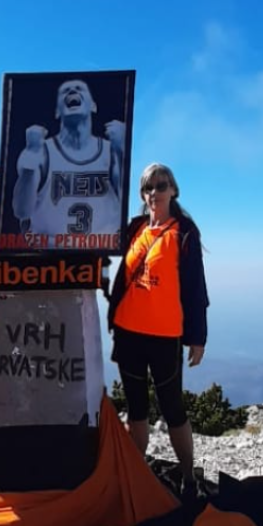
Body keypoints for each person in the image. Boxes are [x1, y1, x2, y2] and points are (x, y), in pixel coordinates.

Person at [106, 162, 208, 491]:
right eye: (148, 188)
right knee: (136, 409)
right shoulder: (135, 228)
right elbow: (96, 233)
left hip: (165, 335)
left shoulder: (184, 232)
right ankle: (135, 480)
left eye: (161, 186)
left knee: (173, 409)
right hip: (127, 331)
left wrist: (197, 337)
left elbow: (195, 287)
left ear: (173, 190)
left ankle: (189, 478)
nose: (154, 192)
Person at [12, 78, 125, 244]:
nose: (73, 91)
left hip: (97, 253)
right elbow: (21, 211)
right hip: (47, 253)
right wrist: (31, 158)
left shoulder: (111, 150)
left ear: (93, 106)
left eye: (80, 88)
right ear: (57, 111)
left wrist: (122, 151)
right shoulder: (40, 150)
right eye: (65, 90)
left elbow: (125, 202)